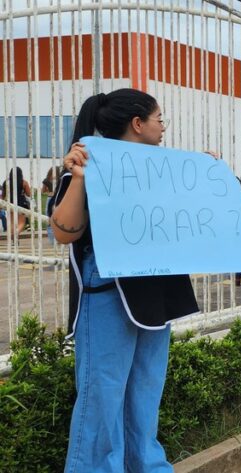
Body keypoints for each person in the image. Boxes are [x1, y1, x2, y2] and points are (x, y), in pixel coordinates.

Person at [50, 89, 200, 472]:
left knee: (145, 395)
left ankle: (148, 466)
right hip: (108, 291)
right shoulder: (88, 164)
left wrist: (206, 176)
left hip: (156, 287)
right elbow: (65, 232)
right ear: (137, 124)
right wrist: (79, 178)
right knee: (102, 399)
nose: (163, 127)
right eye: (159, 119)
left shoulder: (165, 169)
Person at [2, 166, 31, 242]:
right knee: (22, 222)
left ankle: (13, 239)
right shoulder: (24, 182)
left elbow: (3, 195)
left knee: (11, 223)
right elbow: (29, 194)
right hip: (21, 204)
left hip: (10, 203)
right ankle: (16, 233)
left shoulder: (6, 182)